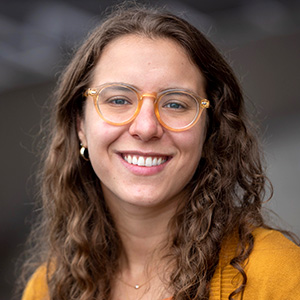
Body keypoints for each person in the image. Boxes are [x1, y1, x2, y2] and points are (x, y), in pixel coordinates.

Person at [19, 4, 300, 300]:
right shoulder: (47, 289)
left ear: (210, 129)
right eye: (118, 100)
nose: (146, 127)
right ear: (80, 124)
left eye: (175, 103)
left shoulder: (278, 277)